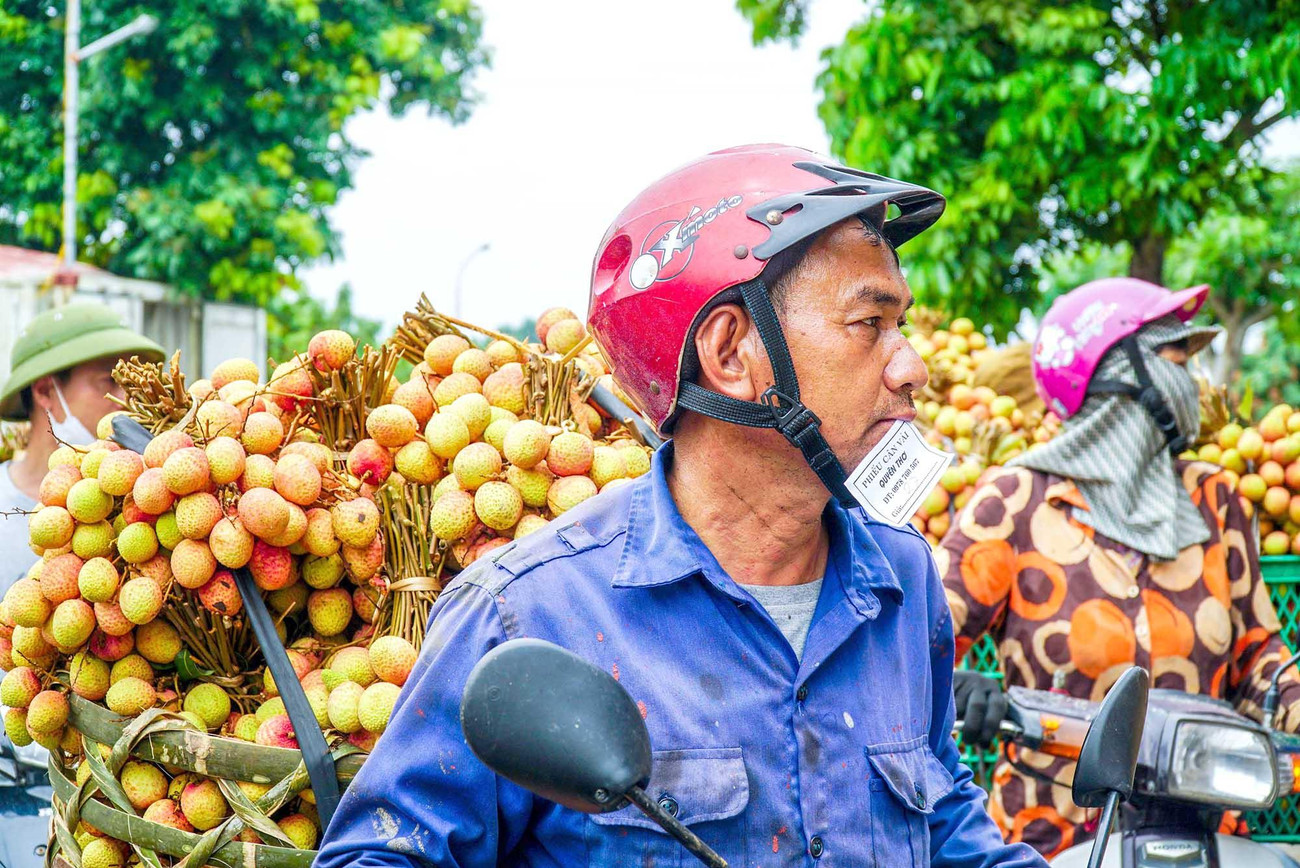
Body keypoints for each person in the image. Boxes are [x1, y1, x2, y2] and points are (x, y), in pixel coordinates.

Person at [315, 145, 1044, 867]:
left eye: (903, 326)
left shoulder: (903, 581)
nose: (912, 366)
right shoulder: (528, 615)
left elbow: (946, 824)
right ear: (731, 355)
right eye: (869, 325)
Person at [941, 278, 1300, 858]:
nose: (1194, 383)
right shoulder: (1014, 502)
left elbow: (1261, 657)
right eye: (1177, 361)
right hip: (1050, 840)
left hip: (1205, 831)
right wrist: (956, 684)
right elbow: (919, 643)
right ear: (1117, 371)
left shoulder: (1215, 500)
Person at [0, 302, 163, 591]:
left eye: (129, 385)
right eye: (108, 382)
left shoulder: (145, 502)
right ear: (45, 391)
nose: (126, 402)